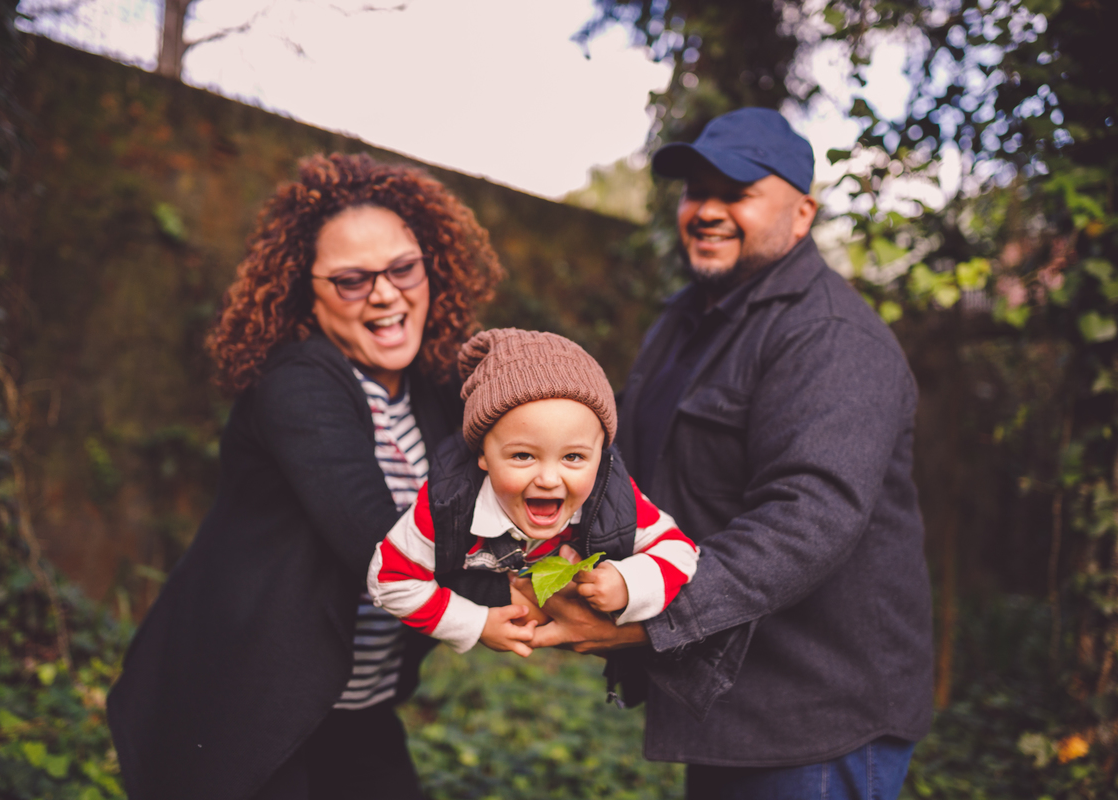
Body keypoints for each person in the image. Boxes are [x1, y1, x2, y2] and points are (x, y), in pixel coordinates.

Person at [527, 108, 934, 799]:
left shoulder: (832, 338)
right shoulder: (687, 321)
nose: (707, 210)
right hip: (723, 698)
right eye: (696, 191)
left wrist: (654, 612)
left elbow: (809, 517)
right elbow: (625, 468)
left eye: (736, 192)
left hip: (815, 718)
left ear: (802, 215)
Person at [105, 152, 503, 800]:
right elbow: (378, 545)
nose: (385, 294)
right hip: (244, 709)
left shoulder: (433, 390)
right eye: (351, 280)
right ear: (306, 292)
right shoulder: (298, 384)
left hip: (354, 706)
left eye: (403, 268)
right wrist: (497, 607)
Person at [366, 328, 698, 658]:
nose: (549, 479)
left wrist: (631, 584)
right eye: (523, 455)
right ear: (483, 454)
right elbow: (390, 578)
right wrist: (475, 623)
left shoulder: (613, 495)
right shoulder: (448, 503)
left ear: (600, 454)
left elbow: (679, 551)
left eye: (573, 457)